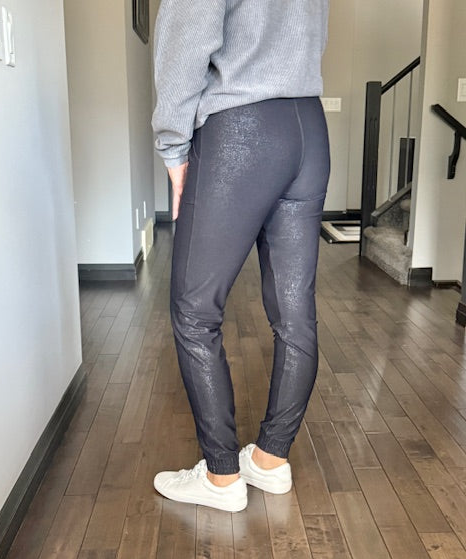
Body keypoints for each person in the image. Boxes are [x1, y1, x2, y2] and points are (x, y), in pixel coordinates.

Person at [151, 0, 330, 512]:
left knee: (195, 311)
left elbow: (185, 38)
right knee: (295, 315)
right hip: (309, 128)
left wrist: (173, 146)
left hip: (242, 126)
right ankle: (270, 460)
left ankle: (221, 476)